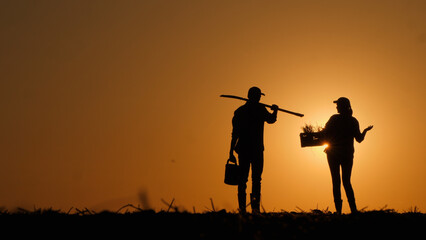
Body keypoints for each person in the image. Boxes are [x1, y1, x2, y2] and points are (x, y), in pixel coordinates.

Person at [229, 87, 279, 214]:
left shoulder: (240, 111)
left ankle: (243, 209)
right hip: (256, 149)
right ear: (256, 97)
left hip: (244, 149)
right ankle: (254, 209)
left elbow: (235, 134)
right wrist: (275, 111)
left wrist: (230, 151)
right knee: (256, 179)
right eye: (259, 96)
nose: (260, 99)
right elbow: (271, 120)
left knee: (243, 180)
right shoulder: (260, 109)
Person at [322, 97, 373, 214]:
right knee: (346, 181)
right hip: (347, 154)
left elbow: (325, 132)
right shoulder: (353, 121)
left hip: (333, 153)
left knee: (336, 181)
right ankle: (353, 210)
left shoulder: (334, 119)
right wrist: (365, 130)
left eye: (338, 105)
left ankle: (338, 211)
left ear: (342, 106)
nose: (336, 107)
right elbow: (359, 139)